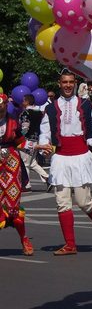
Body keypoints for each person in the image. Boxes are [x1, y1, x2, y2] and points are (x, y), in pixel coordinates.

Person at [38, 70, 92, 255]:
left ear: (75, 83)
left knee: (84, 202)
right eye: (64, 82)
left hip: (80, 155)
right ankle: (70, 244)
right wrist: (44, 144)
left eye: (71, 82)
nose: (68, 85)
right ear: (59, 83)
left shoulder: (85, 104)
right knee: (62, 202)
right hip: (60, 157)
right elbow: (45, 131)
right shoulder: (51, 108)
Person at [0, 93, 34, 255]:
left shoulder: (13, 122)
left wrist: (38, 147)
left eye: (2, 104)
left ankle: (24, 239)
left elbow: (21, 142)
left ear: (6, 105)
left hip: (12, 165)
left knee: (13, 207)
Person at [19, 94, 49, 189]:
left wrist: (19, 136)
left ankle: (26, 185)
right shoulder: (39, 113)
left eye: (23, 100)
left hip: (27, 140)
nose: (22, 102)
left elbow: (25, 127)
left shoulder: (26, 113)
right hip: (36, 139)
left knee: (25, 163)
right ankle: (48, 178)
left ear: (27, 102)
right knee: (32, 163)